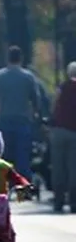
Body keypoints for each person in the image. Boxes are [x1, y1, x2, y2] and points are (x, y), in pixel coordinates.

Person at [0, 46, 45, 179]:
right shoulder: (28, 77)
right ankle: (22, 182)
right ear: (21, 58)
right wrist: (34, 114)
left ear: (7, 58)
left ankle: (3, 181)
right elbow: (36, 99)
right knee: (22, 155)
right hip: (23, 120)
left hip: (4, 119)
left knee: (4, 154)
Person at [49, 62, 76, 211]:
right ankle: (74, 202)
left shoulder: (62, 87)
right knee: (73, 168)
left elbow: (54, 106)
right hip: (74, 132)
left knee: (58, 167)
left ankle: (58, 201)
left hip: (59, 131)